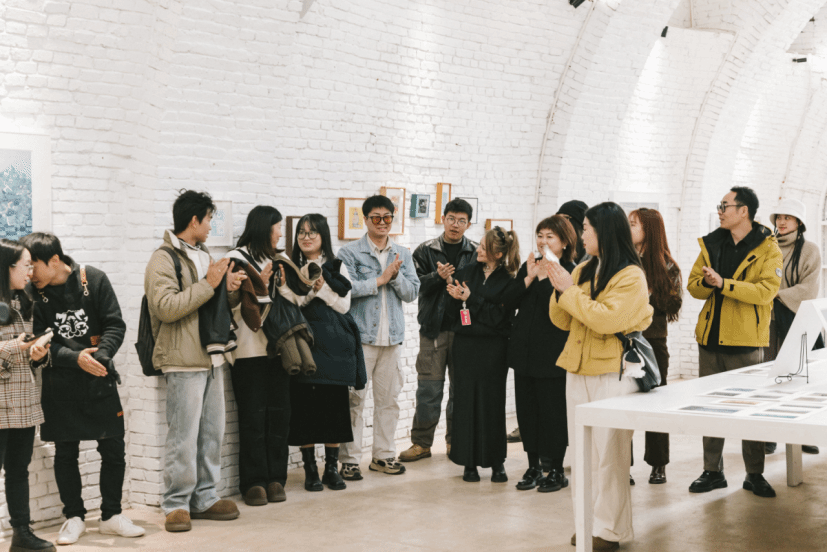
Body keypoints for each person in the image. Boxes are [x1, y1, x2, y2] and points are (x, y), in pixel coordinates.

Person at [21, 233, 144, 545]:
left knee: (113, 449)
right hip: (59, 384)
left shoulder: (94, 279)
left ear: (54, 260)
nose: (30, 273)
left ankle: (111, 516)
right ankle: (74, 517)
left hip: (98, 378)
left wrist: (100, 356)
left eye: (34, 265)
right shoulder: (31, 295)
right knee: (66, 452)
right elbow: (36, 340)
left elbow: (115, 324)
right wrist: (75, 358)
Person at [547, 202, 653, 551]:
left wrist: (569, 291)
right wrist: (559, 287)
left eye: (587, 228)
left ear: (604, 231)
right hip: (577, 366)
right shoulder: (583, 268)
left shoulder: (631, 276)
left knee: (610, 457)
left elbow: (606, 320)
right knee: (581, 456)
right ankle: (586, 523)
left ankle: (609, 531)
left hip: (613, 372)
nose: (582, 234)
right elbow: (562, 320)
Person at [144, 190, 245, 532]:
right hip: (183, 359)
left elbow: (210, 304)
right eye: (209, 219)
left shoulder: (203, 255)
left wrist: (228, 289)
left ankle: (205, 498)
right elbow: (166, 308)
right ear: (194, 220)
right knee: (183, 436)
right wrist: (209, 283)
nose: (211, 226)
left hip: (213, 356)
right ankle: (176, 504)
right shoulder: (162, 259)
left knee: (212, 433)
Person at [687, 186, 782, 499]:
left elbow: (765, 292)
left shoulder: (768, 248)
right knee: (710, 408)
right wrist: (706, 282)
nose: (720, 211)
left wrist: (724, 283)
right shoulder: (711, 243)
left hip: (746, 343)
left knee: (749, 410)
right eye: (720, 205)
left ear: (744, 211)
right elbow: (693, 287)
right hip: (710, 340)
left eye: (725, 205)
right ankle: (712, 471)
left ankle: (754, 474)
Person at [337, 195, 420, 480]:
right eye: (376, 217)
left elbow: (412, 293)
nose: (382, 223)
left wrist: (395, 277)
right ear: (366, 219)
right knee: (354, 402)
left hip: (392, 339)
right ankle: (349, 460)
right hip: (360, 340)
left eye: (387, 217)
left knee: (389, 402)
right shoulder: (349, 253)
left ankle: (383, 456)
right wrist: (380, 280)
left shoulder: (402, 254)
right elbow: (344, 289)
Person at [280, 214, 364, 492]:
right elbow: (290, 301)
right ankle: (310, 471)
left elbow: (344, 306)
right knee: (304, 410)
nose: (306, 237)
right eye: (302, 233)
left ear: (323, 236)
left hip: (334, 345)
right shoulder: (290, 266)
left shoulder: (337, 265)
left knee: (334, 409)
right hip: (303, 345)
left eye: (312, 232)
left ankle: (331, 469)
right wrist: (308, 289)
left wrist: (323, 288)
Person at [399, 198, 478, 463]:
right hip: (433, 330)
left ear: (468, 224)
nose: (455, 225)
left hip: (465, 332)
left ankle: (455, 442)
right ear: (443, 219)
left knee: (460, 391)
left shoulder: (476, 251)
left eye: (461, 221)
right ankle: (421, 443)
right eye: (451, 219)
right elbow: (413, 287)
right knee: (428, 390)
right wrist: (437, 277)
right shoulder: (425, 251)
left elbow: (480, 287)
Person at [224, 205, 290, 506]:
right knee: (252, 416)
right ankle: (253, 482)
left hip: (279, 347)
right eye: (277, 228)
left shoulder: (279, 260)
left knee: (279, 415)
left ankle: (276, 478)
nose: (280, 234)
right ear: (265, 228)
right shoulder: (236, 260)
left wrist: (284, 287)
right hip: (248, 349)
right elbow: (231, 308)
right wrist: (259, 286)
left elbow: (294, 301)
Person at [506, 216, 577, 493]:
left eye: (550, 236)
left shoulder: (571, 270)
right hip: (524, 351)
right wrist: (529, 277)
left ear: (565, 241)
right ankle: (533, 466)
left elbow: (567, 309)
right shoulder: (531, 265)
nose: (542, 241)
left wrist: (549, 279)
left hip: (553, 353)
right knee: (527, 413)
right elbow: (509, 301)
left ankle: (556, 469)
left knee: (553, 414)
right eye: (540, 235)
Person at [447, 226, 520, 483]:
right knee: (465, 403)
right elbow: (454, 313)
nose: (477, 250)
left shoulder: (509, 280)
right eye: (479, 245)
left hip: (494, 350)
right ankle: (469, 462)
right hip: (465, 347)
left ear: (498, 255)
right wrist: (460, 299)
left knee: (492, 404)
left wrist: (471, 299)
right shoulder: (465, 273)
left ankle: (497, 462)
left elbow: (500, 317)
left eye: (483, 247)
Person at [0, 239, 55, 552]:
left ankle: (21, 534)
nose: (30, 272)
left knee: (18, 471)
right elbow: (12, 348)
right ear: (7, 267)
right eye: (25, 265)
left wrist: (37, 354)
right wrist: (15, 347)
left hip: (22, 401)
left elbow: (29, 356)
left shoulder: (24, 302)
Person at [763, 198, 822, 456]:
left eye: (788, 217)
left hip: (798, 321)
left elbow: (809, 288)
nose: (782, 221)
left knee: (800, 381)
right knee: (771, 379)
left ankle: (803, 435)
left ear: (799, 221)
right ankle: (770, 435)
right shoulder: (766, 247)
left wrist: (775, 294)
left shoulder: (810, 250)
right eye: (779, 217)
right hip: (768, 323)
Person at [628, 208, 683, 484]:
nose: (628, 228)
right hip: (625, 341)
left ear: (648, 229)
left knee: (656, 404)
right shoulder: (624, 260)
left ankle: (658, 463)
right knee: (623, 404)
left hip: (653, 343)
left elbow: (674, 305)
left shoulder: (667, 265)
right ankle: (622, 464)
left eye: (633, 224)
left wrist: (649, 294)